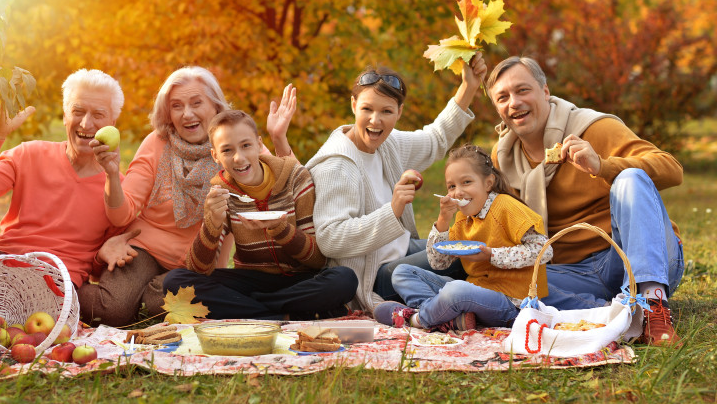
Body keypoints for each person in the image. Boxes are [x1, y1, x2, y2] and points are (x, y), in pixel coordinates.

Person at [486, 55, 684, 345]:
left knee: (630, 178)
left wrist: (602, 166)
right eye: (502, 97)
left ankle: (654, 308)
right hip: (572, 272)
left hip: (636, 257)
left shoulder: (592, 128)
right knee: (496, 281)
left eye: (522, 90)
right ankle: (611, 311)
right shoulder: (502, 158)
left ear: (545, 91)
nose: (513, 102)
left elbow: (672, 169)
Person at [78, 68, 299, 326]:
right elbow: (122, 213)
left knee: (159, 300)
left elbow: (291, 187)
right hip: (143, 249)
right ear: (168, 113)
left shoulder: (235, 143)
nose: (187, 114)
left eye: (196, 103)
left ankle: (145, 292)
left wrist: (279, 138)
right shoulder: (156, 143)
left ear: (215, 107)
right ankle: (62, 294)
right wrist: (113, 175)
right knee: (112, 311)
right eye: (177, 106)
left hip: (197, 264)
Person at [0, 69, 137, 319]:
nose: (86, 124)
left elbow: (99, 266)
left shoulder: (117, 187)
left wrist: (104, 252)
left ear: (112, 124)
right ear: (65, 116)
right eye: (78, 112)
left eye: (98, 114)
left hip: (45, 283)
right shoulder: (30, 153)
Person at [305, 54, 487, 312]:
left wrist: (469, 86)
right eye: (367, 109)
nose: (375, 120)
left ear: (399, 112)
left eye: (386, 111)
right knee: (463, 256)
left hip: (401, 251)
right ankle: (456, 306)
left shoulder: (387, 144)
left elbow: (435, 139)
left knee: (470, 243)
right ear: (354, 104)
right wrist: (392, 210)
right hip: (371, 277)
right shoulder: (337, 164)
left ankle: (462, 300)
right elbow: (330, 239)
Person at [163, 110, 358, 320]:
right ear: (215, 156)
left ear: (258, 144)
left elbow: (317, 260)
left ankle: (256, 311)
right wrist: (212, 223)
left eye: (246, 145)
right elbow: (198, 270)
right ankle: (286, 315)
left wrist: (282, 230)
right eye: (227, 150)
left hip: (300, 279)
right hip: (251, 279)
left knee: (344, 279)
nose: (239, 158)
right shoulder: (221, 193)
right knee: (175, 282)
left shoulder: (296, 178)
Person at [374, 144, 552, 331]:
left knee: (457, 290)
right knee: (402, 272)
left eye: (466, 182)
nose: (457, 192)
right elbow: (439, 263)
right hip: (473, 294)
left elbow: (544, 250)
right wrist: (443, 220)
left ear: (488, 183)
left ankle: (416, 319)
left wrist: (491, 255)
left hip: (512, 304)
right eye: (451, 186)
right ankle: (447, 319)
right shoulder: (462, 217)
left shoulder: (506, 207)